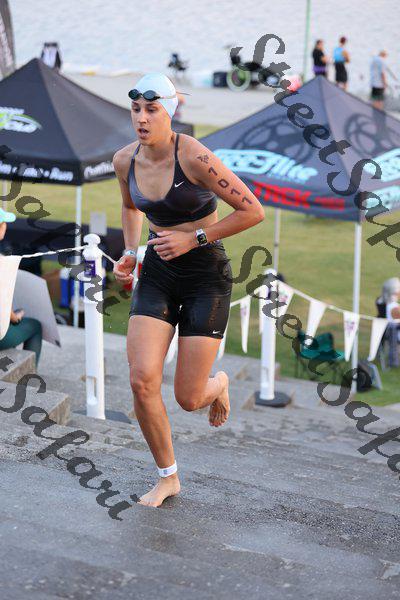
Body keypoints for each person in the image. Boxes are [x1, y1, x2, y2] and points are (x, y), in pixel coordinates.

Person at [112, 72, 265, 508]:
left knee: (188, 397)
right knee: (142, 381)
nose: (141, 118)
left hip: (205, 274)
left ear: (169, 112)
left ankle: (218, 384)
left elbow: (252, 211)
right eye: (136, 110)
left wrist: (194, 238)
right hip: (159, 272)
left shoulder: (195, 156)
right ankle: (168, 477)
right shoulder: (124, 160)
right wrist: (130, 252)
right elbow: (129, 206)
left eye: (151, 109)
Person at [0, 207, 43, 367]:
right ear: (1, 229)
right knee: (35, 326)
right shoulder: (2, 262)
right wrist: (15, 317)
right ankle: (29, 377)